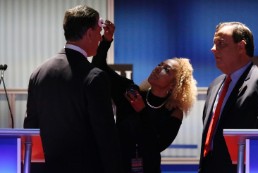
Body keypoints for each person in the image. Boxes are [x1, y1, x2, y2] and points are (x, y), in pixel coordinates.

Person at [23, 5, 122, 173]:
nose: (100, 37)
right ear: (90, 33)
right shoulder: (94, 77)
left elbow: (31, 128)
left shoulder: (38, 73)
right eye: (99, 32)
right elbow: (106, 136)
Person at [92, 23, 198, 173]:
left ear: (173, 86)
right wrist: (106, 40)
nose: (158, 68)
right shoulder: (130, 91)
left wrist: (142, 112)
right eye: (160, 65)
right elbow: (98, 67)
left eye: (166, 70)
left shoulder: (174, 112)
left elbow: (156, 146)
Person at [198, 22, 258, 173]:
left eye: (220, 43)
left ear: (240, 47)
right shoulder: (214, 85)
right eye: (214, 44)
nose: (213, 49)